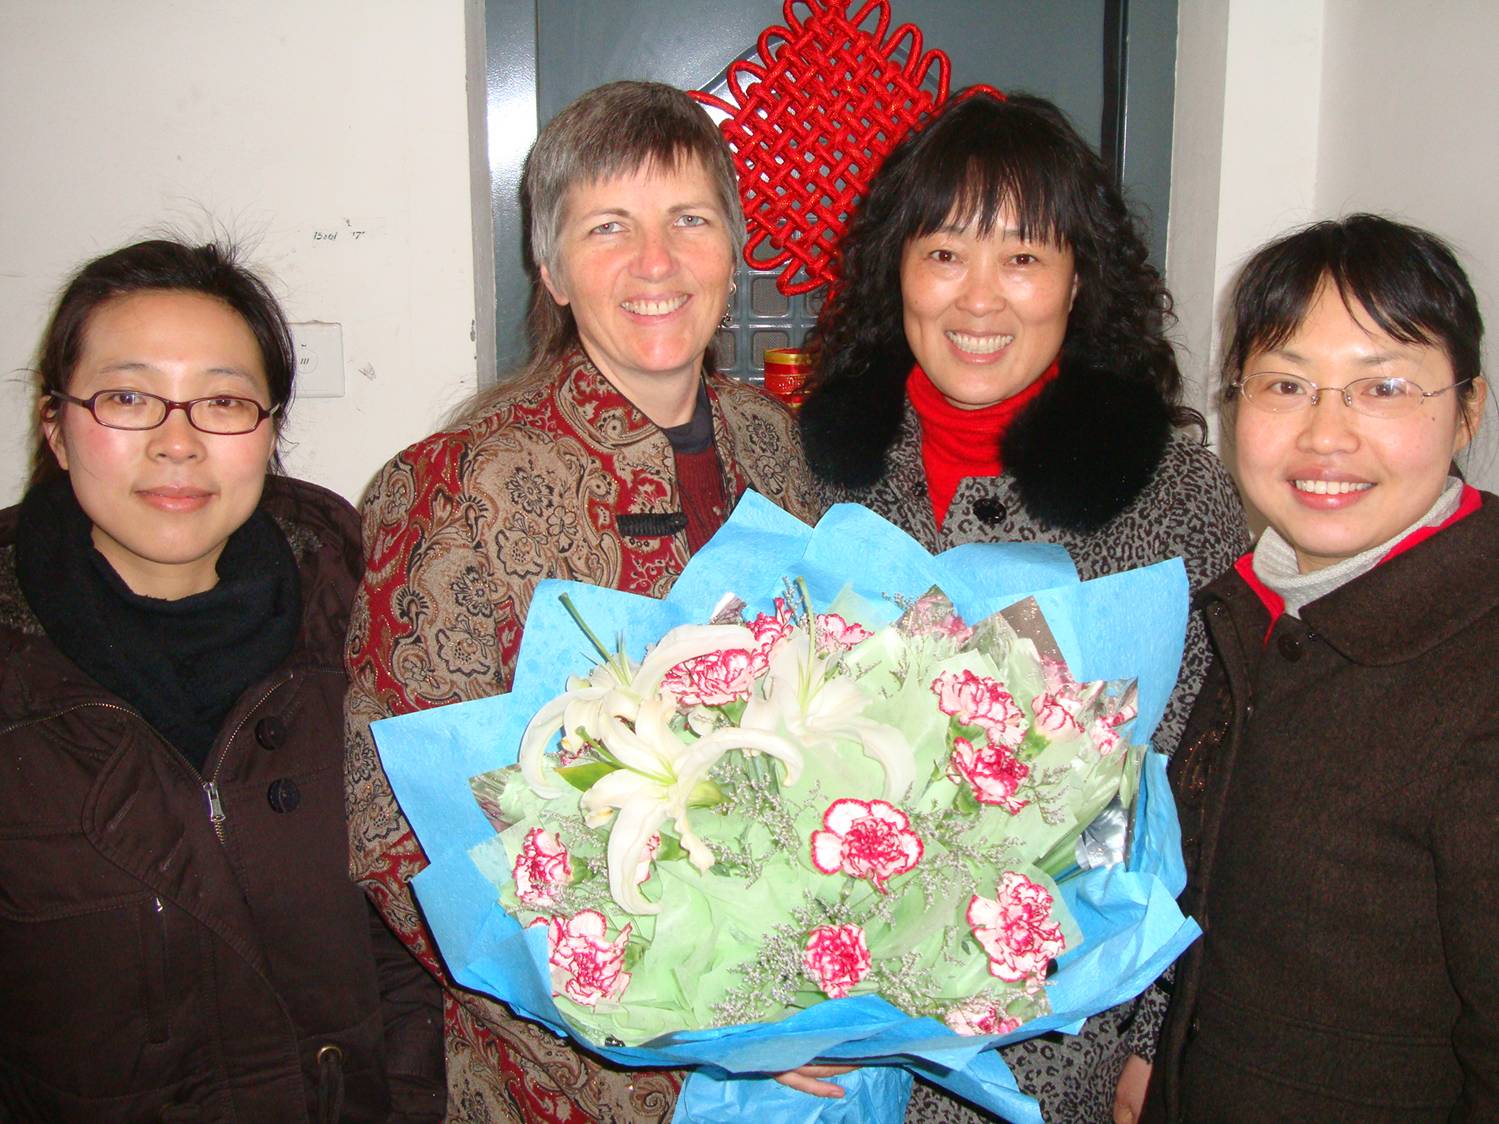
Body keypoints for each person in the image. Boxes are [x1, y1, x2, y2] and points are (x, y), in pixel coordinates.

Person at [344, 80, 821, 1122]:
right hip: (572, 1082)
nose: (656, 262)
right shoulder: (459, 486)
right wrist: (672, 1023)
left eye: (688, 220)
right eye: (609, 227)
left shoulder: (776, 448)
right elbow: (397, 830)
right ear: (551, 269)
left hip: (809, 1041)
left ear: (730, 251)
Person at [798, 91, 1248, 1122]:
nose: (978, 299)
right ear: (896, 272)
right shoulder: (812, 478)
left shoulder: (1172, 498)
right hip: (831, 1019)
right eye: (945, 253)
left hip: (1058, 1031)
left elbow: (1205, 784)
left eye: (1023, 257)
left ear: (1076, 279)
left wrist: (1151, 1034)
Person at [0, 239, 443, 1122]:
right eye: (127, 397)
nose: (177, 442)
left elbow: (417, 938)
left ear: (271, 428)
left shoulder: (372, 624)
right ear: (55, 424)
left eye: (223, 401)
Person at [1146, 215, 1498, 1121]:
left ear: (1467, 408)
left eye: (1381, 387)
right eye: (1286, 384)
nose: (1326, 435)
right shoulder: (1263, 605)